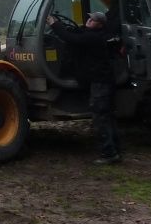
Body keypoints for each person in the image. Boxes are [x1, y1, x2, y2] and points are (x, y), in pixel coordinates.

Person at [46, 11, 122, 164]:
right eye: (89, 18)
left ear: (99, 24)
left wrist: (54, 24)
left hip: (100, 82)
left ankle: (109, 154)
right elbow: (78, 34)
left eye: (92, 20)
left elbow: (70, 38)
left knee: (100, 116)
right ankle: (115, 149)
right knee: (107, 116)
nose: (88, 20)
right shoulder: (98, 34)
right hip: (105, 80)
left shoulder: (93, 38)